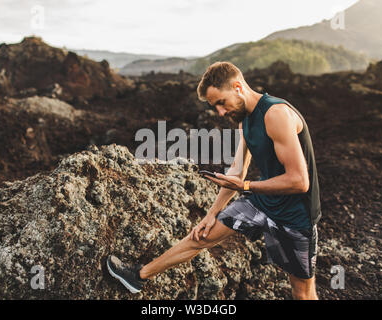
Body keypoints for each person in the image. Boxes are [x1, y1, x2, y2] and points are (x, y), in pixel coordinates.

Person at [107, 61, 322, 300]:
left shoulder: (276, 114)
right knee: (202, 236)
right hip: (263, 202)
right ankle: (138, 276)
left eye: (221, 102)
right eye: (215, 106)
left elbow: (299, 181)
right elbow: (236, 173)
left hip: (296, 215)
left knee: (301, 291)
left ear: (238, 87)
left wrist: (247, 187)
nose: (220, 112)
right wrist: (210, 215)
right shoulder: (246, 120)